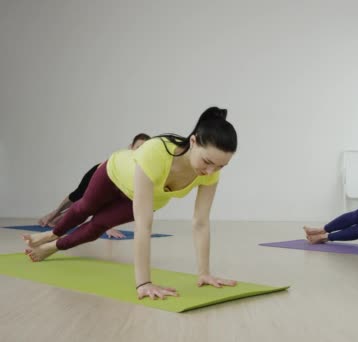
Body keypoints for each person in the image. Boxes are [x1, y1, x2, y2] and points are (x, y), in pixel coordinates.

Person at [23, 107, 238, 300]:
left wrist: (204, 272)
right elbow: (143, 226)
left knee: (98, 225)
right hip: (114, 174)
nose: (211, 171)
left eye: (221, 166)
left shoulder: (210, 174)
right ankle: (51, 234)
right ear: (193, 141)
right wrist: (144, 283)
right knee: (85, 207)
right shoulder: (158, 151)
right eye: (208, 162)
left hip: (141, 197)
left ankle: (52, 247)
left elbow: (200, 222)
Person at [38, 133, 151, 239]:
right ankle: (54, 213)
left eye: (144, 149)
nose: (141, 151)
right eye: (138, 147)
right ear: (131, 147)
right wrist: (108, 227)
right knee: (77, 195)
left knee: (82, 204)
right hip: (97, 173)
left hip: (108, 183)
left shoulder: (144, 165)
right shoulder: (124, 158)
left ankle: (57, 217)